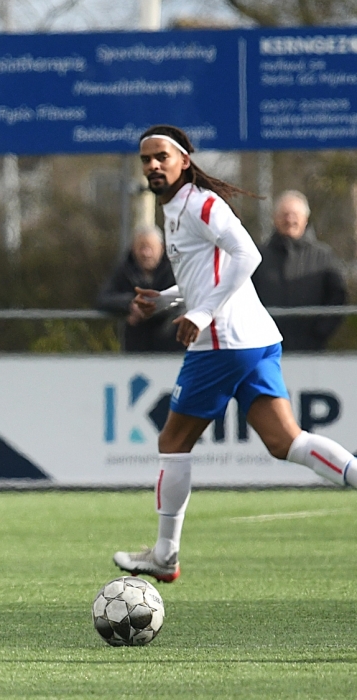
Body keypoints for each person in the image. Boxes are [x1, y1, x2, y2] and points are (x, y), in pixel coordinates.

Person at [112, 125, 357, 583]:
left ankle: (165, 556)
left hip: (223, 341)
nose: (153, 166)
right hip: (253, 338)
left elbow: (247, 256)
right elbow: (205, 276)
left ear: (184, 161)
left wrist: (202, 313)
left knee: (172, 443)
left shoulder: (200, 204)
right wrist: (164, 300)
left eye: (162, 157)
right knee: (286, 442)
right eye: (146, 159)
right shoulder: (175, 209)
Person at [251, 190, 347, 351]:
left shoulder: (323, 256)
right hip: (267, 349)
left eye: (295, 215)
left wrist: (320, 332)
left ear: (305, 219)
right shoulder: (258, 256)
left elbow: (338, 297)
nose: (290, 220)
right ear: (275, 218)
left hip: (312, 350)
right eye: (285, 215)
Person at [96, 223, 182, 352]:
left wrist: (147, 308)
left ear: (162, 248)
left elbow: (183, 300)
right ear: (133, 248)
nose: (146, 253)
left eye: (150, 248)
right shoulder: (124, 269)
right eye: (141, 247)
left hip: (170, 348)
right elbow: (103, 299)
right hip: (136, 349)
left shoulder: (175, 270)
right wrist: (130, 304)